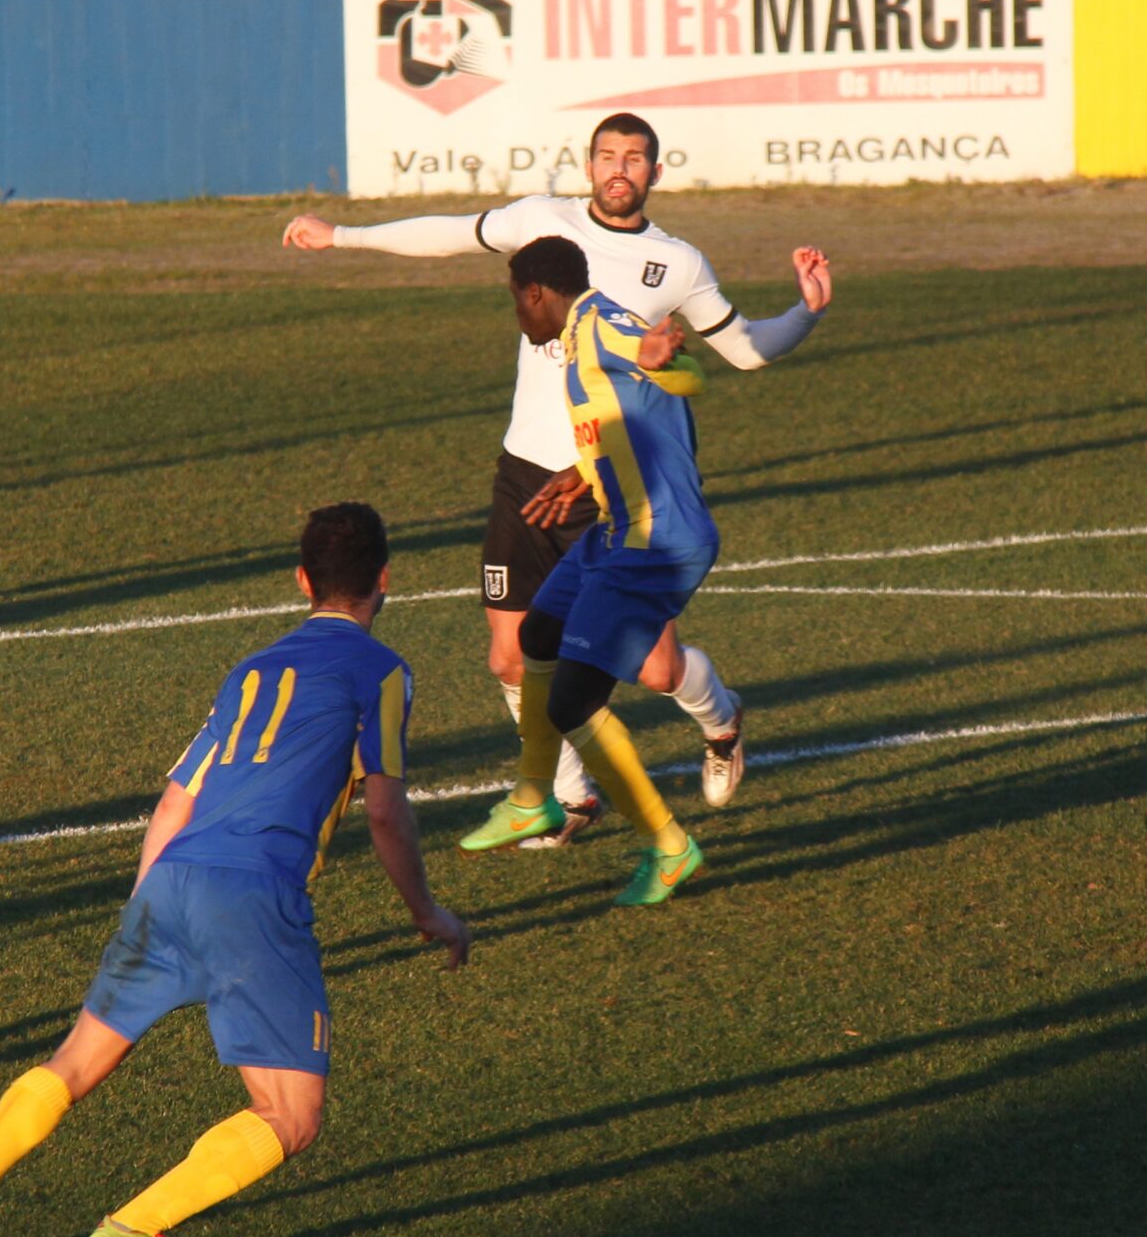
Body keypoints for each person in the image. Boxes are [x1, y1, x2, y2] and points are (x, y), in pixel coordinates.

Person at [0, 503, 470, 1237]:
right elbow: (384, 808)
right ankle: (133, 1225)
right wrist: (427, 913)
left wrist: (144, 909)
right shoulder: (385, 671)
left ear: (301, 580)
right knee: (290, 1114)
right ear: (386, 579)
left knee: (74, 1062)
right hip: (258, 893)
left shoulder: (253, 668)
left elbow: (172, 804)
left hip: (170, 879)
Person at [282, 113, 832, 841]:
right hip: (524, 474)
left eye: (635, 159)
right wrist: (343, 235)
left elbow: (746, 350)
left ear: (655, 172)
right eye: (608, 154)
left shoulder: (678, 264)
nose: (619, 168)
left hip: (608, 491)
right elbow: (450, 232)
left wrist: (808, 310)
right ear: (589, 162)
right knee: (511, 655)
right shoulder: (543, 223)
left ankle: (723, 720)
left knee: (658, 669)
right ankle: (570, 799)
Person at [492, 236, 830, 905]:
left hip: (656, 543)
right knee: (534, 639)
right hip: (616, 530)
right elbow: (624, 416)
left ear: (535, 294)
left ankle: (669, 844)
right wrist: (580, 475)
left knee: (572, 700)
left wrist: (654, 350)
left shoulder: (599, 324)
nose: (517, 315)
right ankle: (537, 798)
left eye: (515, 301)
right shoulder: (580, 335)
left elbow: (634, 344)